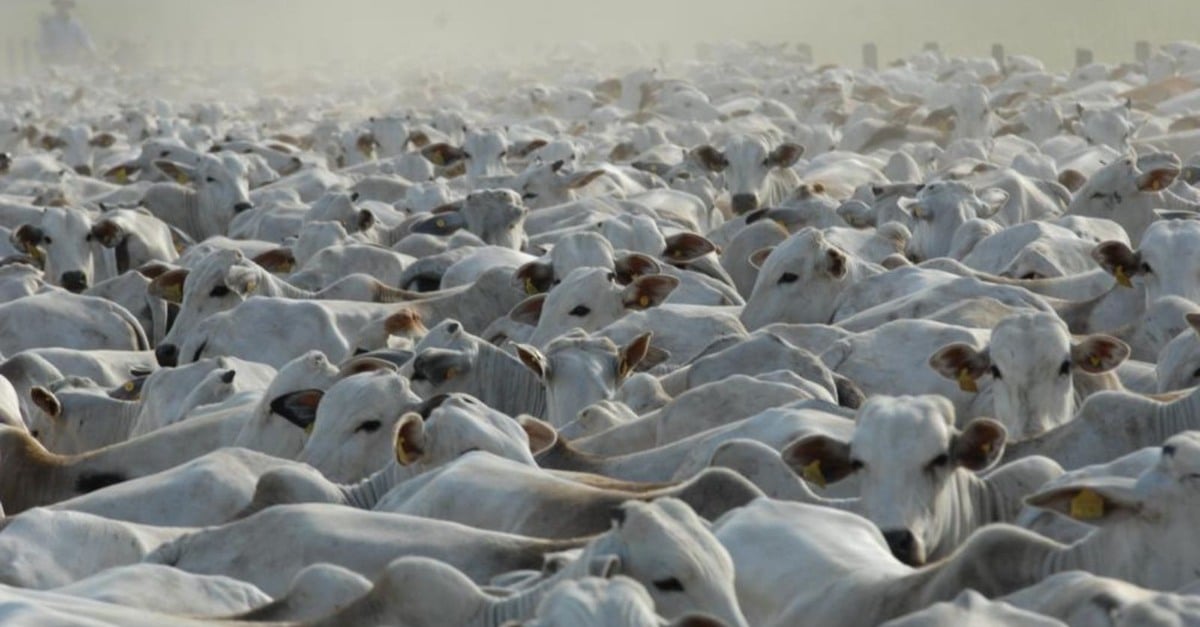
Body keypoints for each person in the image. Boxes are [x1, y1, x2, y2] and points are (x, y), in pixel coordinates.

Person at [37, 0, 97, 66]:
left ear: (70, 6)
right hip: (54, 65)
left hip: (74, 64)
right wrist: (50, 57)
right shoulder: (49, 24)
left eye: (66, 4)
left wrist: (91, 51)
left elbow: (86, 41)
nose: (63, 7)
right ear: (56, 5)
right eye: (61, 4)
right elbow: (43, 46)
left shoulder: (76, 24)